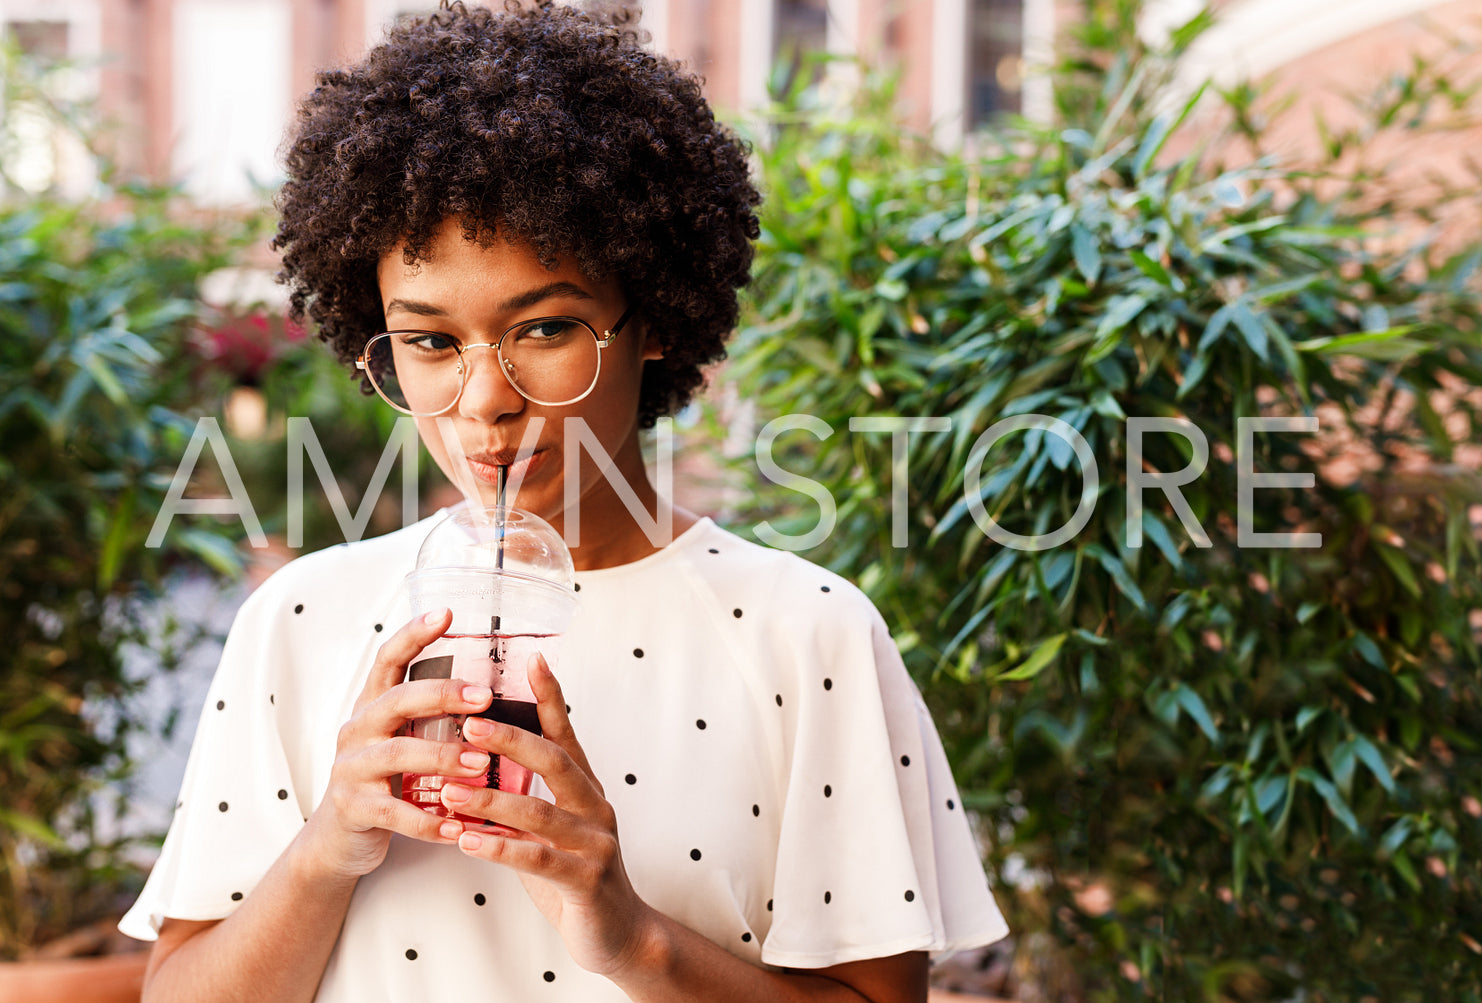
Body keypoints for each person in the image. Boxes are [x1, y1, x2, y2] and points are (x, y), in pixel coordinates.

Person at [120, 2, 1008, 999]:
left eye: (544, 328)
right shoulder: (299, 621)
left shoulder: (805, 638)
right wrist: (328, 844)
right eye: (429, 342)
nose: (486, 400)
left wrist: (630, 936)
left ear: (656, 318)